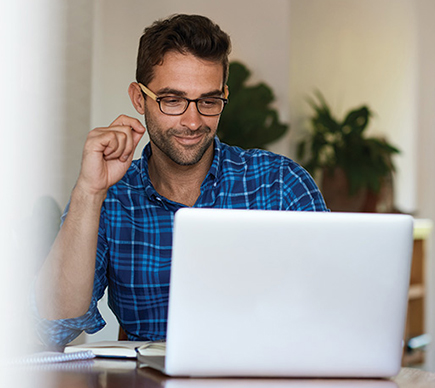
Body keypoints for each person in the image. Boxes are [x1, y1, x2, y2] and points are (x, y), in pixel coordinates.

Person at [34, 14, 328, 347]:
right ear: (139, 98)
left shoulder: (281, 184)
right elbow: (54, 327)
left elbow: (332, 307)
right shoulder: (111, 198)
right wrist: (88, 192)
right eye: (172, 100)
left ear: (223, 96)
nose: (192, 121)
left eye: (208, 101)